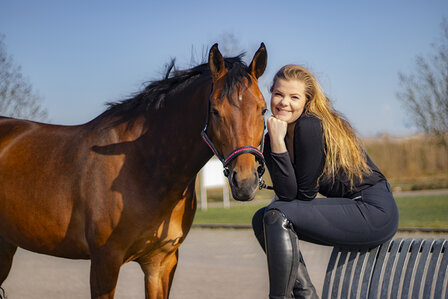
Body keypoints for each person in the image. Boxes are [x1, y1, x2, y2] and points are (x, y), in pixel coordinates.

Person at [252, 65, 399, 299]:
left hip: (373, 210)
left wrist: (278, 145)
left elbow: (302, 197)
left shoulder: (310, 126)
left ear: (307, 101)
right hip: (353, 208)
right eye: (278, 94)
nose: (283, 102)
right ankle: (305, 295)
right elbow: (288, 195)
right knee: (262, 218)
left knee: (276, 213)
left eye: (294, 97)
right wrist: (276, 143)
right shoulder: (273, 136)